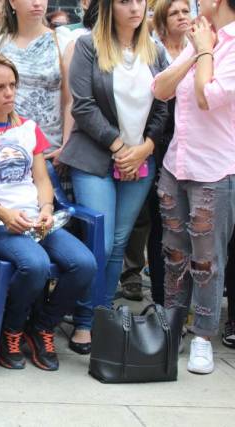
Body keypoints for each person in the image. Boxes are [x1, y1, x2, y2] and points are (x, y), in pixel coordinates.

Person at [0, 53, 95, 371]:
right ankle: (10, 330)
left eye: (12, 85)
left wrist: (45, 208)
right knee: (35, 265)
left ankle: (41, 327)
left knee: (84, 264)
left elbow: (42, 179)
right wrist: (0, 213)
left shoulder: (29, 129)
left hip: (36, 220)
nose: (9, 93)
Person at [59, 0, 168, 352]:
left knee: (119, 242)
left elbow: (164, 103)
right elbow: (83, 105)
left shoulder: (155, 50)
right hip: (95, 157)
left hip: (140, 160)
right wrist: (121, 148)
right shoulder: (89, 45)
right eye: (125, 1)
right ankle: (83, 320)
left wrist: (146, 147)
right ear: (109, 7)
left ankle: (100, 317)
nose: (135, 7)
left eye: (140, 1)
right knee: (101, 243)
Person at [152, 0, 235, 374]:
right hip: (176, 164)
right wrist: (197, 49)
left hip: (213, 169)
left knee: (207, 259)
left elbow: (207, 97)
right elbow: (160, 88)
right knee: (174, 253)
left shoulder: (229, 45)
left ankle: (202, 334)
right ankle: (173, 326)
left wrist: (205, 51)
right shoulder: (201, 38)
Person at [119, 0, 191, 303]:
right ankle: (134, 274)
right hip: (152, 142)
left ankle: (173, 298)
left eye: (186, 11)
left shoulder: (197, 48)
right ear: (162, 20)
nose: (182, 17)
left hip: (186, 143)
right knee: (145, 218)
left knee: (176, 223)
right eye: (174, 12)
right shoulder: (154, 50)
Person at [0, 0, 73, 165]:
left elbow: (70, 100)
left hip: (51, 152)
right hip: (4, 151)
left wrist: (66, 145)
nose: (37, 3)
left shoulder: (63, 41)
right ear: (12, 2)